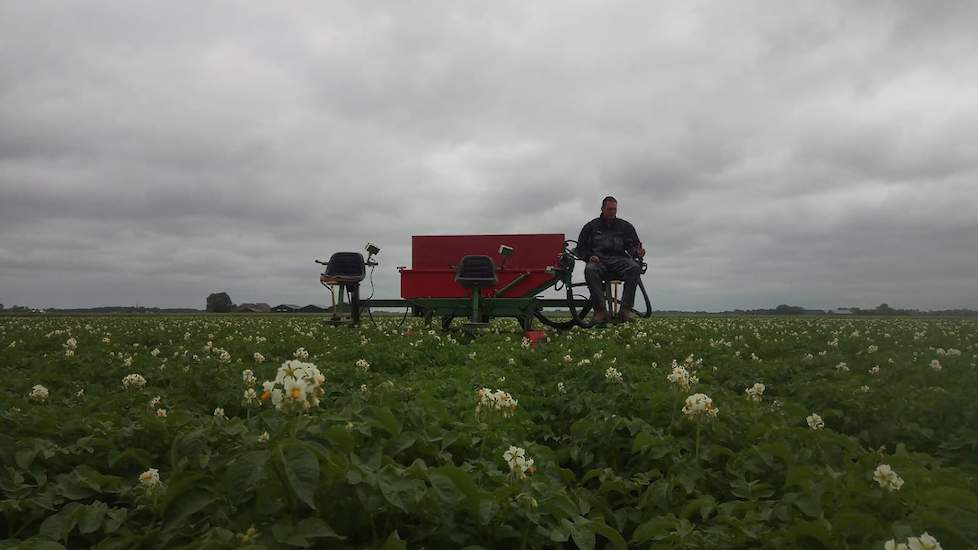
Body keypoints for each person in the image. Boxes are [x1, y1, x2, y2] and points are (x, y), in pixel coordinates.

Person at [575, 196, 646, 323]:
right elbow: (580, 249)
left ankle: (625, 311)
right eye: (610, 209)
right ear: (602, 209)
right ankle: (600, 312)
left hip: (619, 260)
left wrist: (637, 252)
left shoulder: (625, 226)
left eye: (615, 209)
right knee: (590, 269)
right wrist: (589, 256)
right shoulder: (591, 227)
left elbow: (633, 246)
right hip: (599, 261)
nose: (612, 212)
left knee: (634, 267)